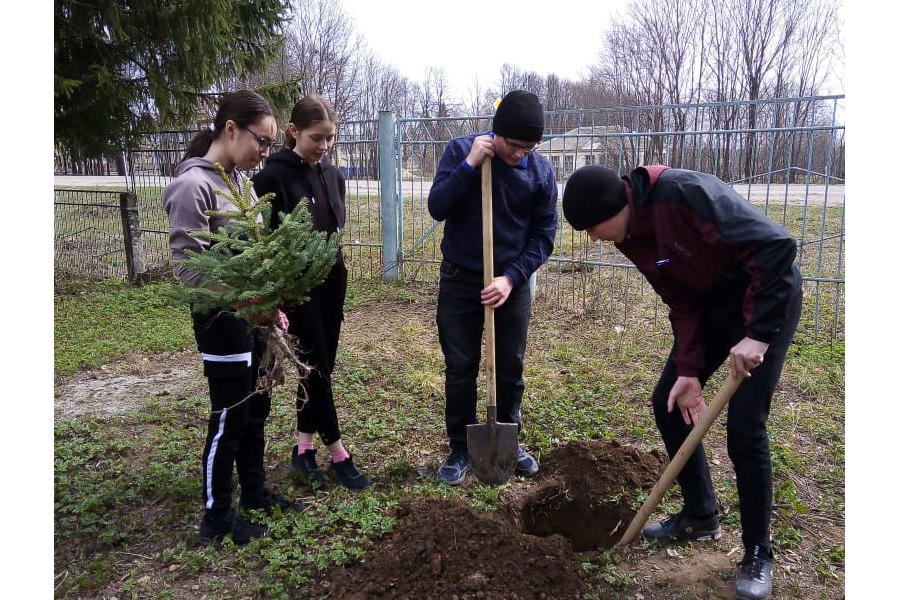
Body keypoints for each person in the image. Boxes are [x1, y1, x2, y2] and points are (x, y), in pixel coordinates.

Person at [561, 164, 803, 600]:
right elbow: (680, 299)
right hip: (712, 310)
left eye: (593, 227)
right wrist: (689, 370)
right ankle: (700, 514)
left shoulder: (684, 194)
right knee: (669, 401)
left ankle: (757, 552)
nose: (592, 238)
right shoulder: (628, 235)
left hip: (765, 301)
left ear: (615, 206)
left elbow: (777, 247)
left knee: (745, 427)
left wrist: (758, 332)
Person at [163, 90, 304, 547]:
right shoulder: (194, 186)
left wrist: (270, 305)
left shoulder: (240, 182)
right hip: (220, 321)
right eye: (260, 141)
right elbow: (190, 269)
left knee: (256, 408)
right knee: (230, 415)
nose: (265, 153)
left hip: (254, 316)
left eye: (269, 145)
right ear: (230, 129)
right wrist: (245, 304)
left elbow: (256, 257)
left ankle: (256, 494)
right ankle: (217, 516)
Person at [427, 90, 558, 485]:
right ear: (497, 133)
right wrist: (469, 166)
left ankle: (508, 438)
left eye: (529, 147)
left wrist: (511, 278)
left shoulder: (540, 171)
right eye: (514, 144)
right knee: (461, 365)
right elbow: (437, 207)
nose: (520, 153)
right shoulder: (461, 151)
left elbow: (544, 234)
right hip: (460, 278)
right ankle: (460, 447)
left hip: (509, 282)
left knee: (510, 365)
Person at [252, 95, 370, 491]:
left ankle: (303, 450)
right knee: (315, 367)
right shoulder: (271, 177)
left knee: (321, 368)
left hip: (332, 280)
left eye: (330, 139)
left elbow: (334, 229)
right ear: (293, 132)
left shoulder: (334, 175)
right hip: (297, 288)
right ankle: (338, 452)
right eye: (316, 138)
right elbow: (263, 239)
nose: (323, 146)